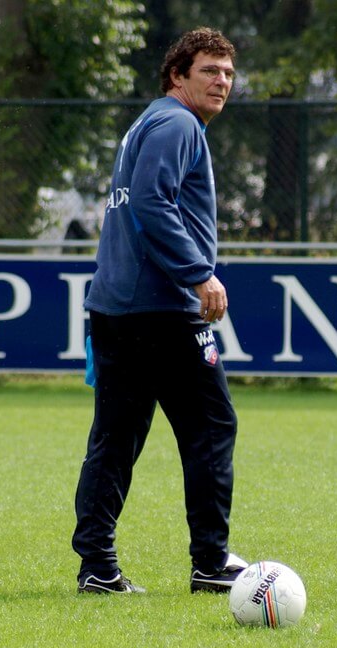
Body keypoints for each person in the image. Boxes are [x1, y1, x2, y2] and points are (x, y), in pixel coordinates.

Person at [73, 27, 245, 595]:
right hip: (163, 310)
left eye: (227, 72)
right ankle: (211, 563)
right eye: (209, 71)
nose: (221, 81)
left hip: (118, 306)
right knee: (211, 428)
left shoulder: (148, 121)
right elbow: (150, 200)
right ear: (178, 76)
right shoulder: (177, 124)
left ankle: (97, 567)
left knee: (116, 437)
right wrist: (198, 272)